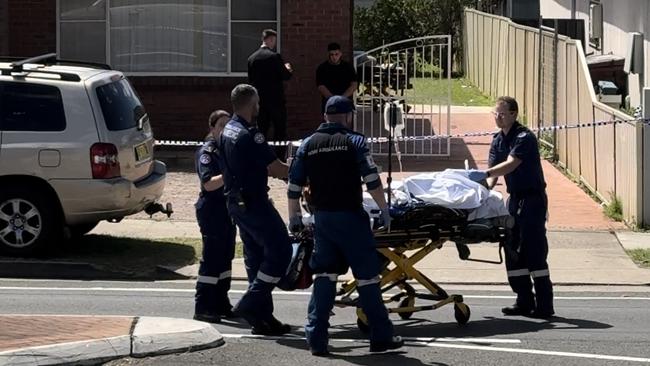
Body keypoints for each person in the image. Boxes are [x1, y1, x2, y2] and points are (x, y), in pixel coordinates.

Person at [287, 96, 404, 356]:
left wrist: (293, 216)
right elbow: (371, 179)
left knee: (325, 276)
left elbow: (294, 184)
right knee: (367, 278)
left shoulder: (308, 144)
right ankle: (381, 336)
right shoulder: (355, 141)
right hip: (351, 218)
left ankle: (316, 338)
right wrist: (384, 209)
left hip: (323, 220)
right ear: (348, 116)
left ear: (325, 115)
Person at [467, 96, 555, 319]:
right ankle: (523, 300)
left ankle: (545, 305)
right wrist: (480, 195)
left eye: (503, 114)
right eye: (495, 113)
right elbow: (493, 176)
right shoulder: (498, 140)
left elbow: (510, 165)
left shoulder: (524, 138)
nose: (498, 117)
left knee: (534, 251)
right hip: (514, 200)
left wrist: (486, 174)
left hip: (532, 200)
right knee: (513, 250)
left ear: (514, 114)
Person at [217, 83, 293, 335]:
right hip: (254, 202)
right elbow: (276, 168)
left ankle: (262, 319)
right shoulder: (251, 133)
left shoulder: (228, 129)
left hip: (236, 203)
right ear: (252, 104)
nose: (259, 106)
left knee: (255, 257)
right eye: (257, 102)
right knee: (281, 250)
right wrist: (298, 170)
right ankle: (252, 303)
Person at [193, 110, 237, 324]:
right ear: (212, 128)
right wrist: (230, 173)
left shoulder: (227, 149)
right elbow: (209, 183)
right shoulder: (207, 152)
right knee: (212, 258)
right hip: (212, 209)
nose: (225, 130)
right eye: (221, 125)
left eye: (228, 126)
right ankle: (203, 306)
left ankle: (221, 302)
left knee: (225, 258)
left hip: (228, 208)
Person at [247, 29, 293, 156]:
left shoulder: (252, 58)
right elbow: (285, 76)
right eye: (274, 41)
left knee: (261, 129)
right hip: (276, 100)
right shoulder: (275, 57)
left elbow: (251, 80)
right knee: (279, 130)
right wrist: (288, 68)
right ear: (270, 39)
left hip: (259, 101)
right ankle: (279, 158)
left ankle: (259, 155)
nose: (274, 44)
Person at [316, 42, 358, 113]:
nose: (334, 57)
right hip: (329, 103)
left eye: (336, 54)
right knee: (330, 122)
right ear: (328, 54)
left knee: (345, 122)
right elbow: (320, 86)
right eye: (331, 54)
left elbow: (354, 84)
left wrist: (341, 99)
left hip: (345, 102)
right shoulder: (322, 68)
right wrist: (333, 100)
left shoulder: (348, 67)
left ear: (340, 54)